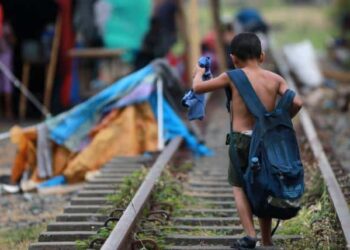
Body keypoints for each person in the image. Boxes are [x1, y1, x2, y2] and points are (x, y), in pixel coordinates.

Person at [192, 33, 303, 248]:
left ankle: (250, 236)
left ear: (234, 58)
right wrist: (280, 121)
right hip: (266, 141)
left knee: (239, 187)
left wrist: (199, 73)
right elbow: (296, 102)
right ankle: (267, 240)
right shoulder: (275, 79)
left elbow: (198, 89)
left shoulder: (231, 76)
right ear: (262, 56)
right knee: (264, 185)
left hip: (241, 141)